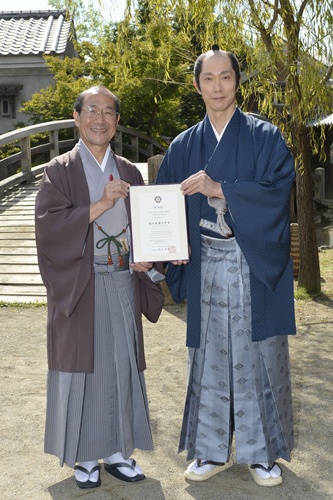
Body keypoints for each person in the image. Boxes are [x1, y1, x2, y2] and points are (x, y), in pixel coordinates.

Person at [156, 46, 296, 487]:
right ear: (197, 85)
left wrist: (222, 188)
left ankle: (262, 454)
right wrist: (171, 247)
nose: (217, 87)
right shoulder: (183, 144)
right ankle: (211, 449)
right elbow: (164, 204)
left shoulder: (266, 136)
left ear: (237, 82)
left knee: (260, 355)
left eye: (226, 77)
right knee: (209, 358)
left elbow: (278, 194)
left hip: (253, 263)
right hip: (205, 266)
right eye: (208, 79)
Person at [35, 85, 164, 489]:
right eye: (92, 110)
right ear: (77, 117)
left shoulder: (129, 170)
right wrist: (101, 204)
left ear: (117, 122)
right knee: (82, 368)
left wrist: (148, 261)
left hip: (123, 279)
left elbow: (147, 228)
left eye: (108, 112)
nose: (100, 118)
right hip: (80, 284)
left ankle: (118, 451)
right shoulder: (59, 170)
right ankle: (84, 456)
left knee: (122, 363)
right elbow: (50, 229)